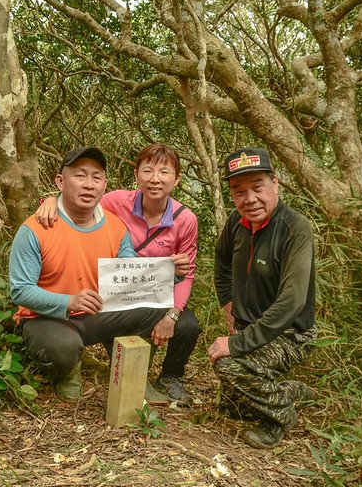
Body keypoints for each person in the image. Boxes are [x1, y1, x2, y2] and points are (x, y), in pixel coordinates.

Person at [35, 144, 200, 405]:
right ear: (136, 175)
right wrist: (50, 200)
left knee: (188, 325)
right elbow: (80, 200)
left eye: (164, 172)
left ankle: (166, 377)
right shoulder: (116, 202)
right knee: (129, 316)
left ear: (177, 179)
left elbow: (187, 273)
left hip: (155, 290)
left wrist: (172, 314)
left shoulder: (185, 219)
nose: (155, 179)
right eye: (147, 171)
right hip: (113, 288)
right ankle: (128, 369)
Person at [208, 146, 317, 449]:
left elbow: (292, 301)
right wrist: (228, 303)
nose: (250, 199)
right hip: (249, 327)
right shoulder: (236, 223)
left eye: (258, 187)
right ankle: (292, 391)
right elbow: (221, 261)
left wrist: (236, 343)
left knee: (227, 365)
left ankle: (281, 414)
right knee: (232, 409)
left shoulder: (295, 228)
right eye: (239, 191)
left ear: (275, 184)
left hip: (290, 334)